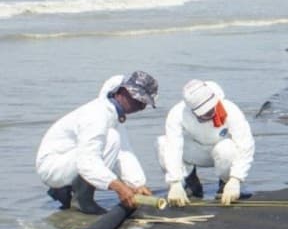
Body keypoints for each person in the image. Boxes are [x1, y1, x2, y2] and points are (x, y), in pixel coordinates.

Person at [35, 71, 158, 214]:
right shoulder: (96, 115)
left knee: (114, 139)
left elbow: (124, 153)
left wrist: (137, 184)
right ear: (122, 92)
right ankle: (83, 200)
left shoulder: (115, 117)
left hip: (68, 160)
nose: (141, 107)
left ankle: (68, 189)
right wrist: (119, 187)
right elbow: (87, 161)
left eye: (144, 103)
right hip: (53, 166)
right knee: (111, 139)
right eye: (138, 100)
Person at [157, 79, 255, 207]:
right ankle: (188, 183)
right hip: (195, 151)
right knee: (162, 143)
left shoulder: (230, 109)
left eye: (211, 110)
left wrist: (236, 179)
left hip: (220, 152)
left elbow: (245, 145)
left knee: (227, 148)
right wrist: (174, 182)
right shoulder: (177, 113)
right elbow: (173, 148)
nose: (209, 115)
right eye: (204, 113)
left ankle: (226, 183)